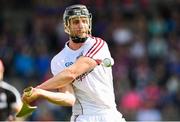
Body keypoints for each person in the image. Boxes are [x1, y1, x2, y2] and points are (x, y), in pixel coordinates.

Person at [22, 4, 126, 122]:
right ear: (67, 25)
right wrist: (41, 93)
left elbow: (72, 73)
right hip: (83, 116)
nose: (81, 25)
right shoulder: (58, 60)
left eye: (84, 21)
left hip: (109, 115)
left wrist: (38, 88)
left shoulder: (98, 44)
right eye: (76, 22)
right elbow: (69, 98)